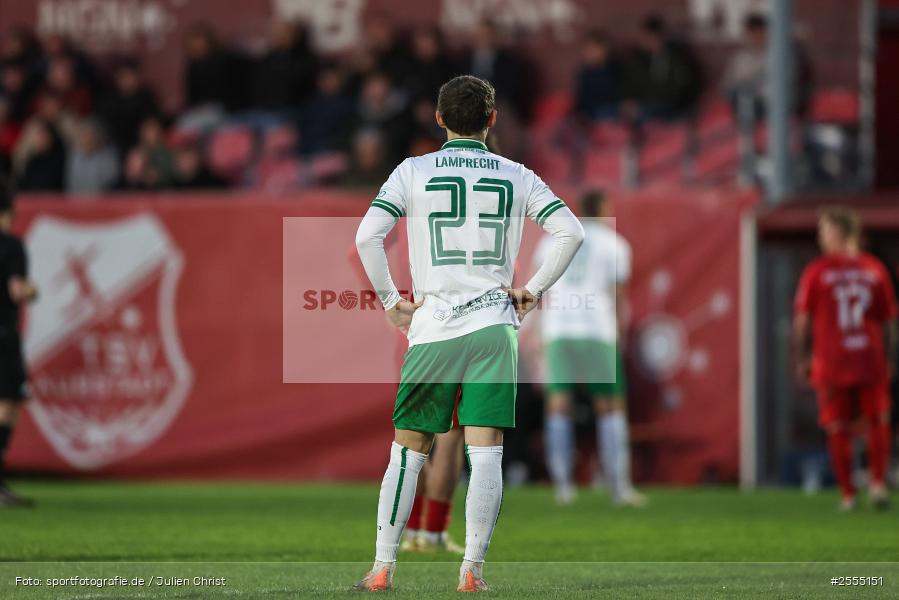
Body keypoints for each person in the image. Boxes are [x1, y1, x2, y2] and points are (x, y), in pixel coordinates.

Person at [353, 74, 584, 592]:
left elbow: (367, 235)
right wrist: (534, 289)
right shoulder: (517, 174)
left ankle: (382, 568)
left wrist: (392, 301)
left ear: (438, 119)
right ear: (492, 120)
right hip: (493, 327)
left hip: (433, 327)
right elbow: (572, 230)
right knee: (486, 452)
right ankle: (471, 573)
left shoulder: (413, 171)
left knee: (407, 451)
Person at [534, 190, 646, 507]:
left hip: (560, 329)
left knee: (559, 405)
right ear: (605, 209)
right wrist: (620, 331)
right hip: (597, 329)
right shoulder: (615, 244)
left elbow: (539, 289)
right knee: (610, 406)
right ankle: (619, 488)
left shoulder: (552, 240)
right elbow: (618, 294)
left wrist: (539, 332)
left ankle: (563, 487)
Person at [793, 207, 897, 511]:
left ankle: (848, 495)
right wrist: (890, 357)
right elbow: (890, 320)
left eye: (824, 230)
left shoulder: (817, 270)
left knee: (838, 427)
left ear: (839, 231)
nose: (820, 237)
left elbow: (802, 321)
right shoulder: (875, 268)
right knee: (878, 422)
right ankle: (877, 485)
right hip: (870, 357)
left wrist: (801, 357)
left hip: (831, 361)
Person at [0, 177, 39, 506]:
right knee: (8, 405)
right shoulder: (11, 246)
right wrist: (32, 290)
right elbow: (18, 290)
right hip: (2, 335)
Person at [66, 117, 119, 195]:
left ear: (97, 137)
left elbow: (110, 184)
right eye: (82, 136)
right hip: (76, 202)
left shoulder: (108, 156)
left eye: (89, 135)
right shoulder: (74, 155)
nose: (86, 139)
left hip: (102, 202)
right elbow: (70, 183)